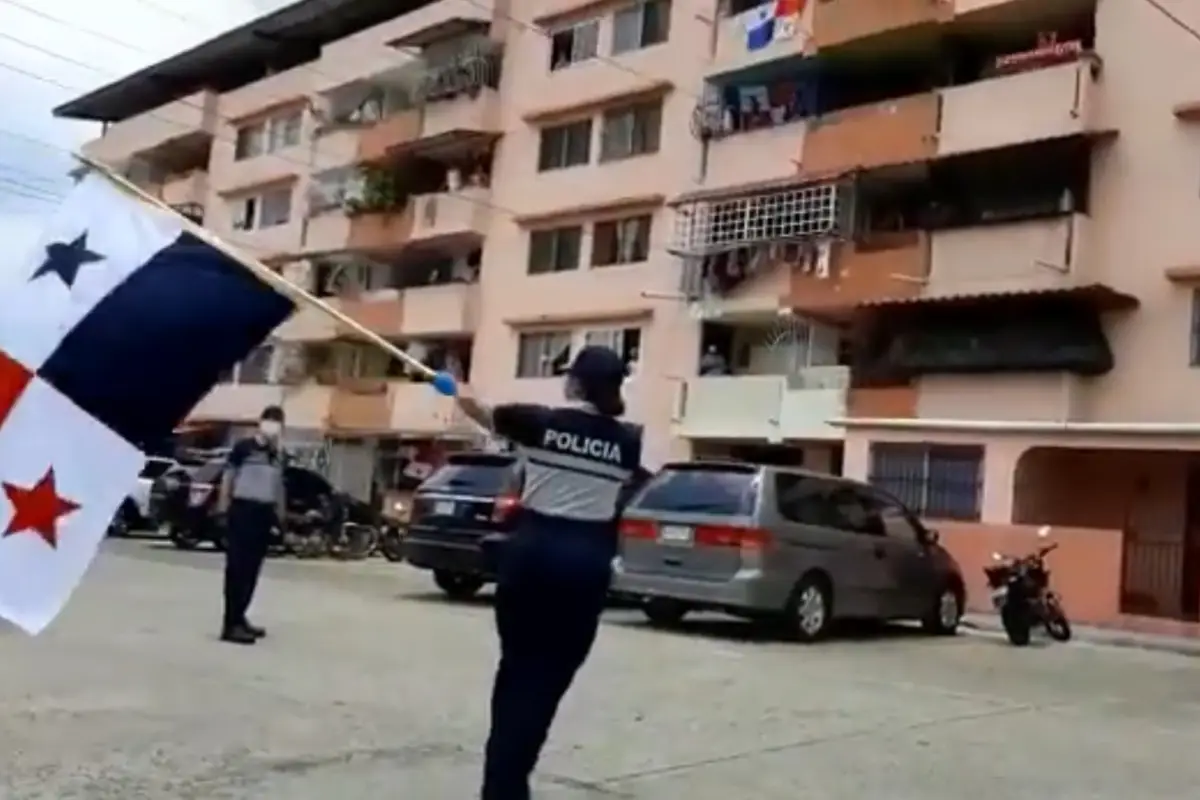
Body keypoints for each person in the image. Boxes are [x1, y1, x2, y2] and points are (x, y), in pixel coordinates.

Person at [432, 345, 651, 800]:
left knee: (516, 670)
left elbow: (481, 412)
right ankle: (512, 779)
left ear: (577, 384)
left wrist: (454, 390)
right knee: (549, 680)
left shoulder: (539, 421)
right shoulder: (629, 441)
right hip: (586, 566)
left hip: (532, 557)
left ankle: (502, 785)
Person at [216, 405, 287, 645]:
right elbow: (228, 478)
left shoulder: (277, 454)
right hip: (242, 510)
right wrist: (223, 509)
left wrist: (280, 516)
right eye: (270, 420)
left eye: (277, 422)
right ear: (261, 422)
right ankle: (230, 624)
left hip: (263, 514)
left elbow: (278, 487)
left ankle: (241, 616)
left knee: (252, 570)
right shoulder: (243, 448)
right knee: (237, 568)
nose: (273, 426)